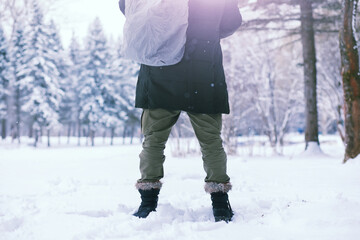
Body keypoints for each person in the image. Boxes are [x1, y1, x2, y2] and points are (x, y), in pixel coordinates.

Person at [119, 0, 242, 222]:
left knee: (153, 140)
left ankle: (147, 204)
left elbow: (128, 7)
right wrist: (204, 33)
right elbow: (232, 23)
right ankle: (221, 206)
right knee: (211, 141)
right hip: (203, 71)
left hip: (160, 68)